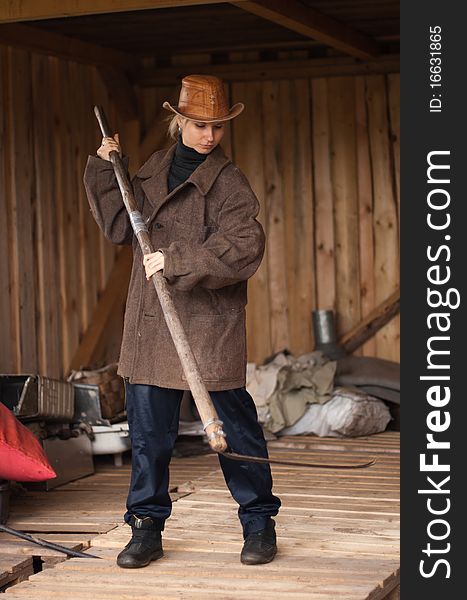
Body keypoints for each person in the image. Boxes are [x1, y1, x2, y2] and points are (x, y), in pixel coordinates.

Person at [83, 74, 281, 569]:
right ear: (179, 121)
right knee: (150, 439)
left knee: (234, 431)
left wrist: (178, 261)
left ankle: (259, 523)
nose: (208, 135)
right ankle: (146, 530)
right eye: (198, 125)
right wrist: (111, 170)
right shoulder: (151, 171)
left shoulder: (229, 183)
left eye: (216, 126)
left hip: (207, 328)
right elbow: (116, 226)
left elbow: (244, 248)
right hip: (153, 326)